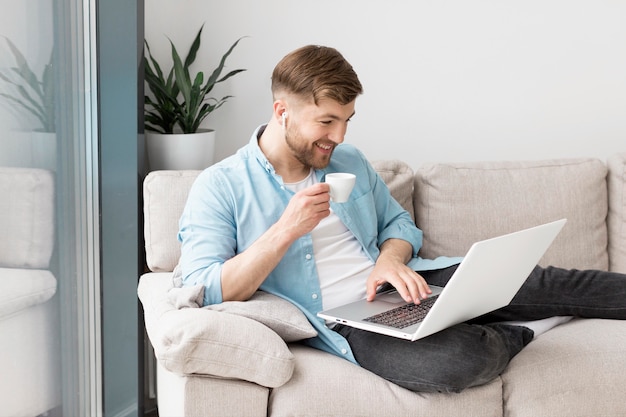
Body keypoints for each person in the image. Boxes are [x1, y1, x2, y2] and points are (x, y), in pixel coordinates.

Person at [178, 45, 626, 393]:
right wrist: (285, 230)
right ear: (282, 112)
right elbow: (206, 288)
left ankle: (483, 310)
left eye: (348, 120)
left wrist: (389, 260)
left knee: (546, 281)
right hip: (341, 322)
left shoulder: (346, 159)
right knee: (455, 362)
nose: (339, 136)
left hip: (403, 287)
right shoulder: (220, 186)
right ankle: (515, 331)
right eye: (327, 122)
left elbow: (400, 227)